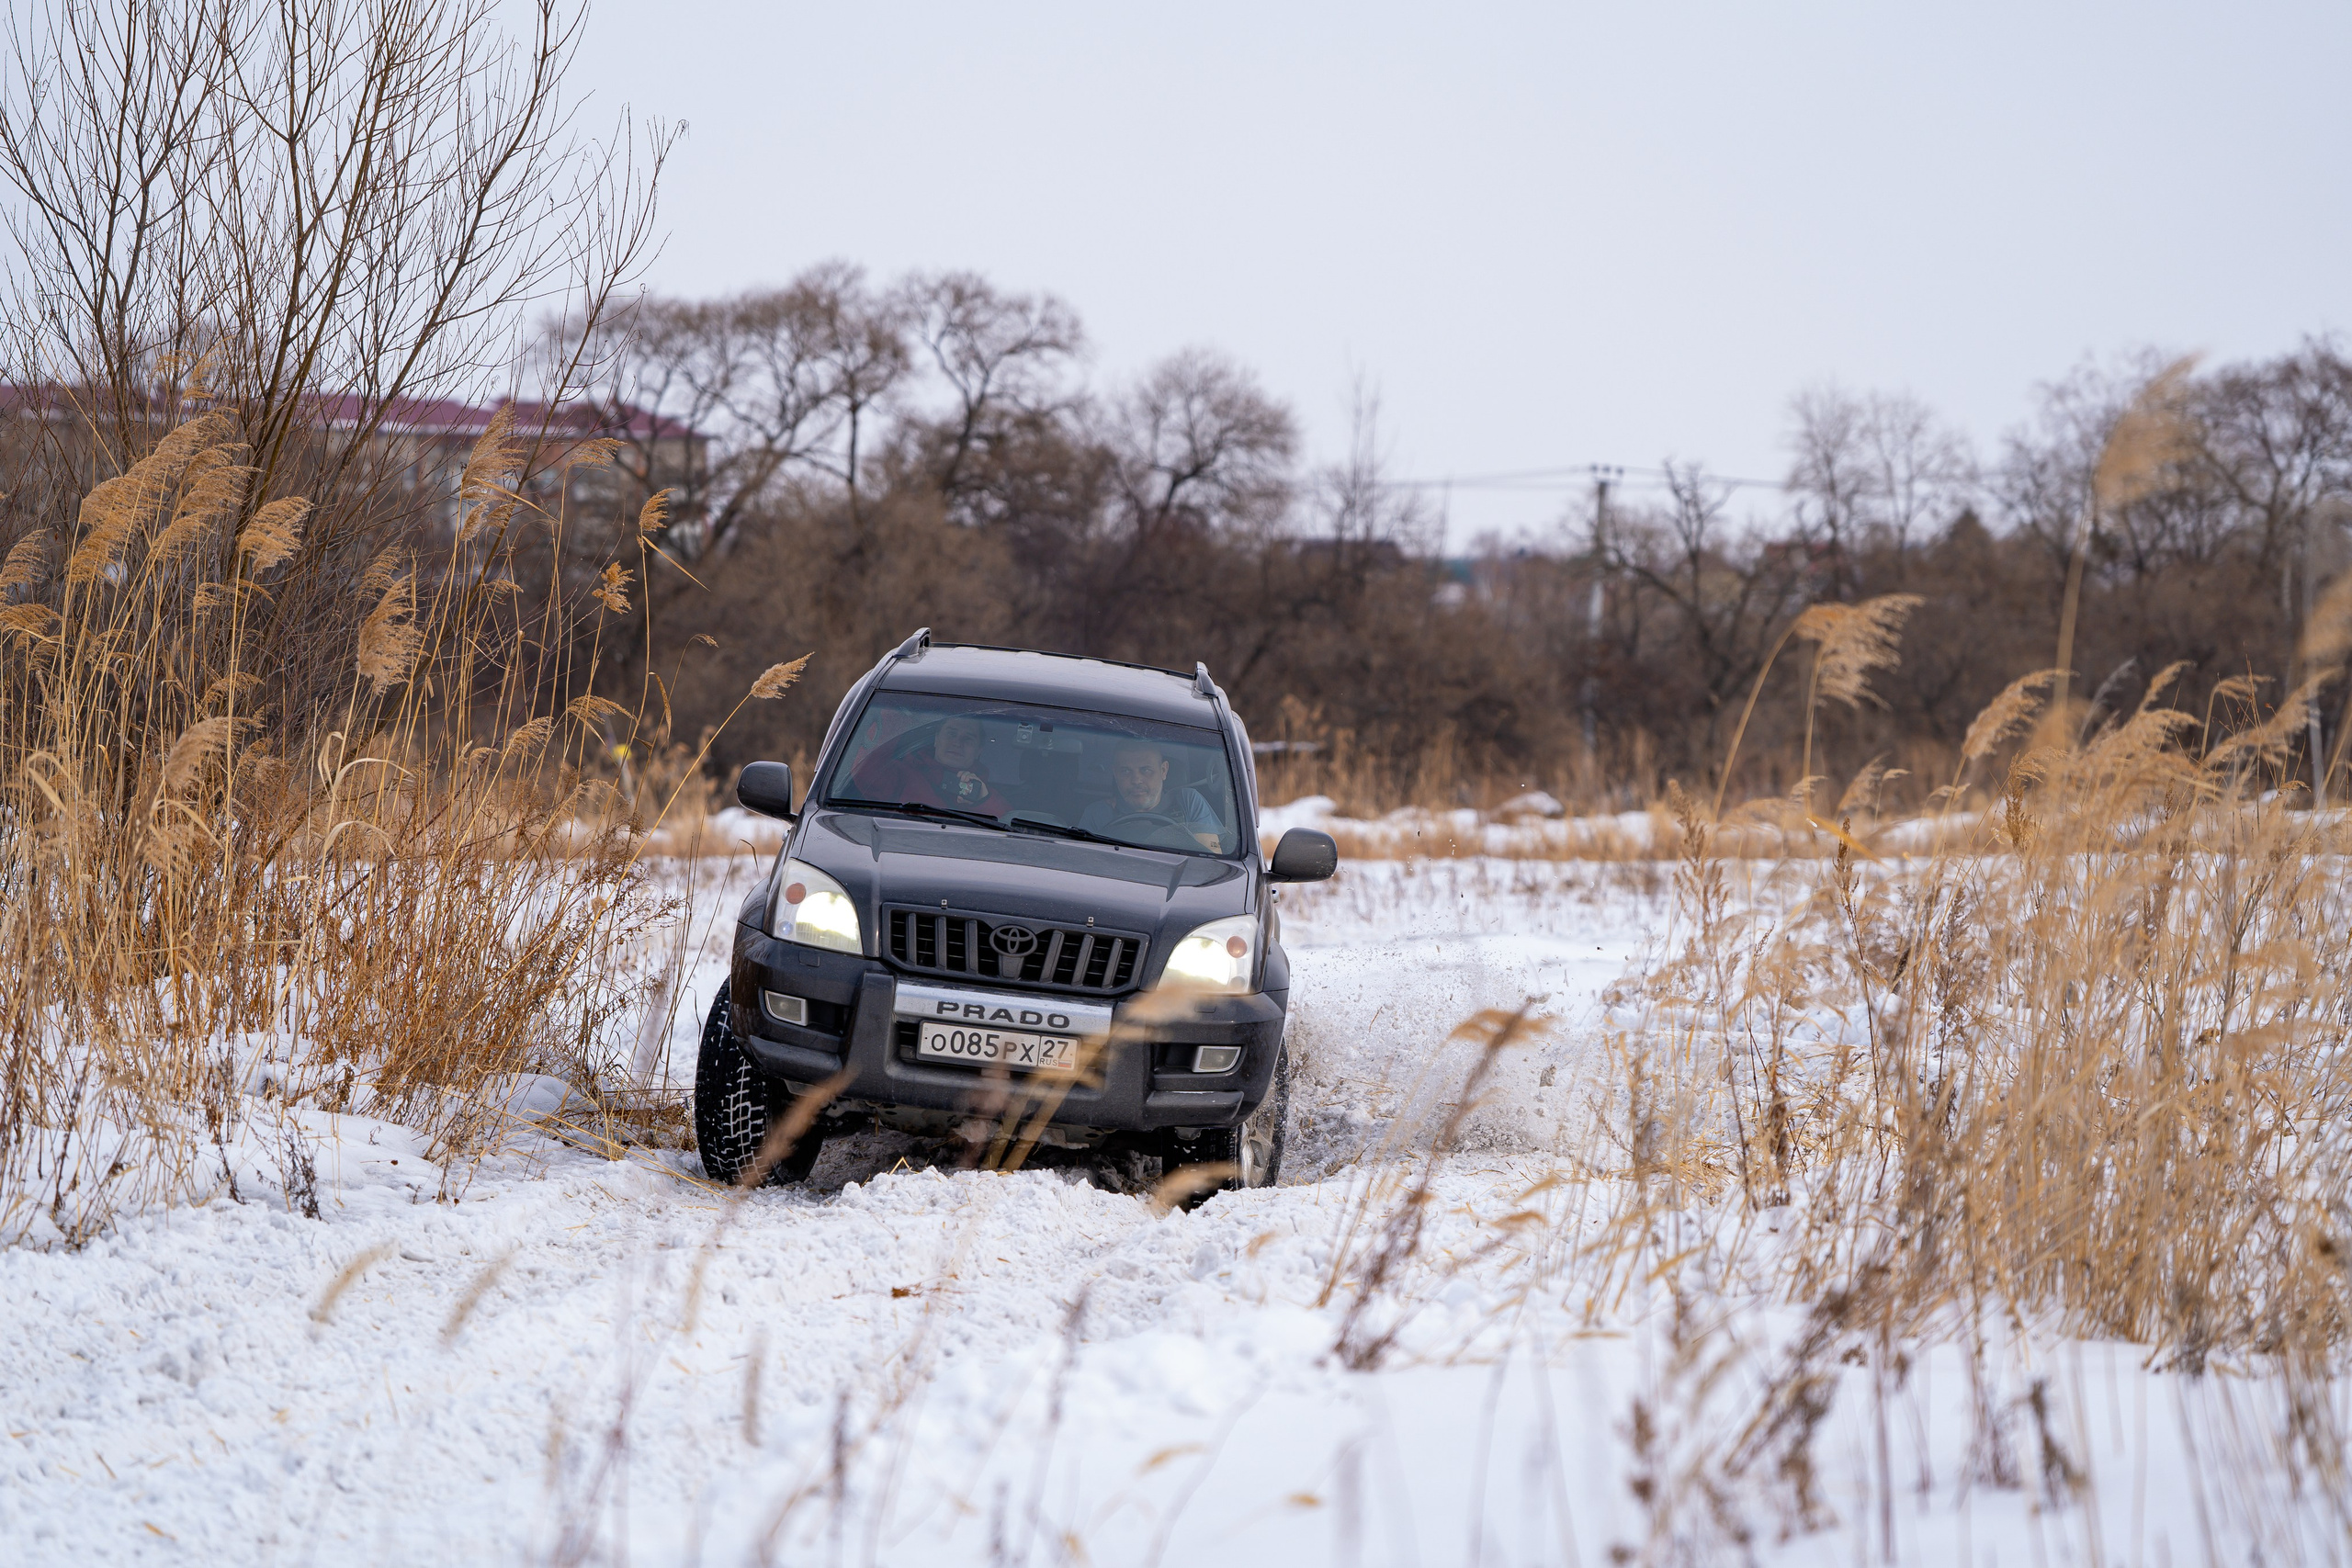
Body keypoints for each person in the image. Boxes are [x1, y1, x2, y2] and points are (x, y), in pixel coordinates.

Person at [848, 713, 1011, 818]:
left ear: (979, 750)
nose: (957, 743)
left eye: (968, 738)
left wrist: (982, 800)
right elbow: (865, 772)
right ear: (936, 739)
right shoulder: (902, 773)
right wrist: (898, 713)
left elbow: (1009, 831)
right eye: (951, 733)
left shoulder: (984, 793)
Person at [1078, 738, 1222, 851]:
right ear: (1115, 774)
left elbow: (1210, 862)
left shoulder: (1187, 802)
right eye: (1126, 771)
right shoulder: (1098, 814)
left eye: (1146, 770)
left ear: (1163, 770)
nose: (1136, 780)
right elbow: (1086, 864)